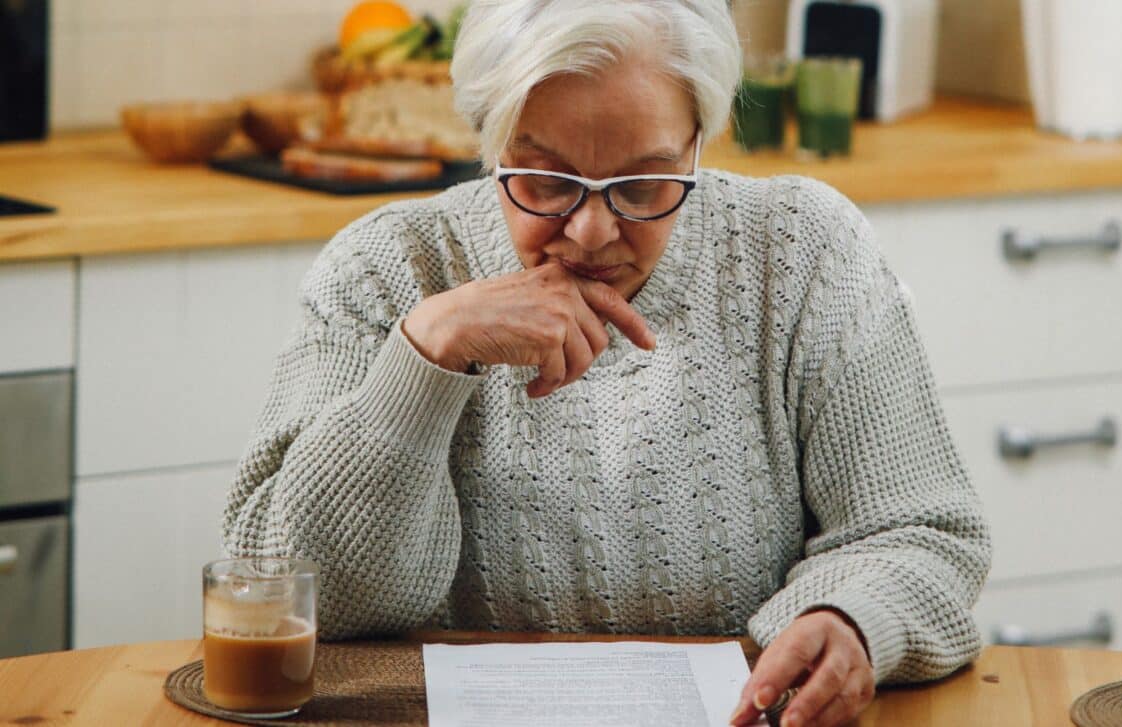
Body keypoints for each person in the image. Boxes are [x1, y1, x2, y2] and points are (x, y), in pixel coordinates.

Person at [223, 1, 991, 725]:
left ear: (699, 138)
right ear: (488, 142)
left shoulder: (803, 250)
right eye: (547, 181)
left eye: (643, 182)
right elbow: (283, 587)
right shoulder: (383, 268)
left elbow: (924, 532)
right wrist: (427, 352)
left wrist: (849, 618)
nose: (591, 233)